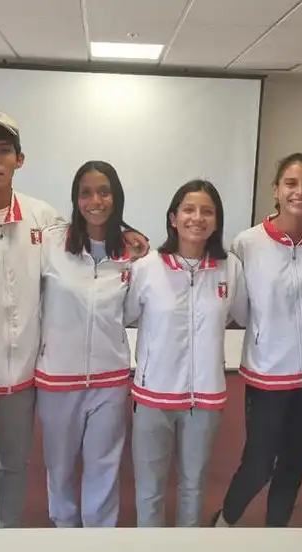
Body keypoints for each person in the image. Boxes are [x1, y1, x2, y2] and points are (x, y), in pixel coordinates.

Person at [0, 108, 149, 528]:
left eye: (3, 151)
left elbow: (92, 224)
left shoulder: (41, 218)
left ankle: (9, 538)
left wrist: (131, 232)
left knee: (15, 466)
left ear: (19, 160)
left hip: (23, 377)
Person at [210, 153, 302, 527]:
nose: (300, 191)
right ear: (276, 189)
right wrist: (269, 333)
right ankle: (224, 522)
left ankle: (276, 534)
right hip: (268, 372)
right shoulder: (248, 243)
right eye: (291, 183)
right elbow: (241, 309)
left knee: (295, 461)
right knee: (259, 461)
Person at [123, 179, 248, 527]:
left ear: (217, 221)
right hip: (152, 397)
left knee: (193, 488)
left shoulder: (230, 268)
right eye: (189, 209)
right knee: (150, 490)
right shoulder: (147, 267)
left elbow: (243, 314)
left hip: (204, 399)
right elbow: (127, 314)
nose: (197, 218)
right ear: (173, 218)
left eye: (207, 211)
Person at [35, 161, 134, 528]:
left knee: (104, 466)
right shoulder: (50, 244)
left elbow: (135, 308)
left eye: (104, 191)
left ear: (116, 197)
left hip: (110, 378)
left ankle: (99, 539)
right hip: (59, 378)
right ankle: (64, 530)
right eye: (86, 193)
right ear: (75, 199)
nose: (96, 200)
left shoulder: (132, 251)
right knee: (59, 467)